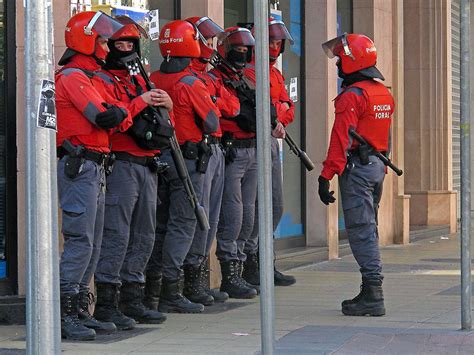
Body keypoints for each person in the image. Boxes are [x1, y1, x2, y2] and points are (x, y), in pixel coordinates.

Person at [56, 11, 132, 340]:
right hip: (81, 164)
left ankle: (79, 310)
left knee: (94, 243)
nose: (106, 46)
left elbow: (117, 113)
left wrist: (120, 111)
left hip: (95, 165)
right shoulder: (73, 76)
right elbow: (103, 117)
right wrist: (118, 112)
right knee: (80, 241)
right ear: (86, 41)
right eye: (101, 40)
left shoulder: (88, 76)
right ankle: (63, 313)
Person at [93, 16, 171, 328]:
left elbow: (165, 127)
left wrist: (166, 104)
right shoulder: (101, 79)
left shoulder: (141, 80)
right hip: (121, 162)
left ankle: (133, 299)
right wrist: (140, 102)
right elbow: (115, 121)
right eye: (119, 43)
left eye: (130, 44)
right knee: (117, 233)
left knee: (144, 235)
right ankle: (107, 302)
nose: (126, 49)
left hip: (148, 164)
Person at [145, 20, 220, 313]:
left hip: (157, 158)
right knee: (184, 222)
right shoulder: (191, 82)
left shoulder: (153, 78)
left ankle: (152, 287)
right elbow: (212, 122)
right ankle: (171, 288)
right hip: (185, 159)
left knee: (159, 224)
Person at [319, 33, 394, 316]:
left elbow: (339, 140)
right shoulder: (383, 93)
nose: (338, 64)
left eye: (341, 59)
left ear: (353, 61)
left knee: (361, 231)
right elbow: (386, 136)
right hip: (377, 166)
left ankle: (373, 293)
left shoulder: (352, 96)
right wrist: (383, 167)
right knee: (369, 228)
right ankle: (368, 289)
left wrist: (325, 176)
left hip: (357, 169)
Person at [182, 16, 240, 305]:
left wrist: (216, 102)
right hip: (198, 151)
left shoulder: (206, 76)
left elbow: (233, 105)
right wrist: (216, 103)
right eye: (206, 40)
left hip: (214, 149)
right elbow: (215, 114)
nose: (212, 46)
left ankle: (200, 280)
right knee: (198, 219)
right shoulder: (190, 78)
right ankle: (190, 282)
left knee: (211, 219)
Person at [242, 18, 297, 288]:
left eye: (278, 42)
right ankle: (251, 265)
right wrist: (277, 112)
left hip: (272, 141)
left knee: (275, 205)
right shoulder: (250, 71)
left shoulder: (274, 73)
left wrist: (281, 116)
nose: (274, 47)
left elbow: (287, 106)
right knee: (254, 207)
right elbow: (266, 108)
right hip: (253, 142)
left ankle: (265, 261)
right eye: (270, 41)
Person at [211, 27, 259, 299]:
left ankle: (239, 268)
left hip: (251, 148)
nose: (241, 54)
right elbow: (222, 111)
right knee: (233, 212)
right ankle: (229, 272)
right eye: (236, 49)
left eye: (245, 49)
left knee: (248, 214)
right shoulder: (215, 78)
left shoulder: (247, 79)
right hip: (232, 148)